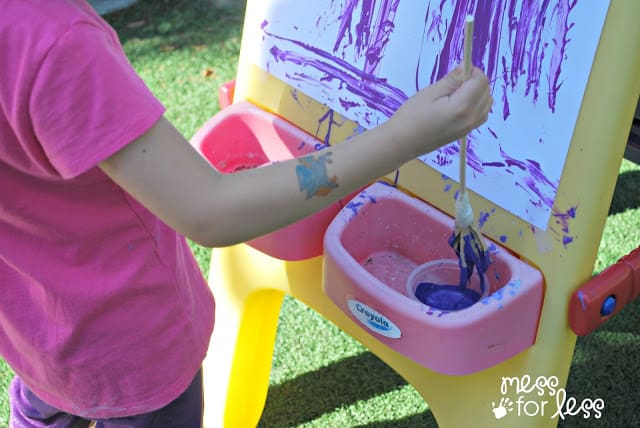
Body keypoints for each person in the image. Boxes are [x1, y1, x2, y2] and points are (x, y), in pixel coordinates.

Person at [0, 0, 492, 427]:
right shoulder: (56, 44)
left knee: (42, 404)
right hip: (130, 354)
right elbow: (211, 210)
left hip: (33, 335)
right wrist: (404, 137)